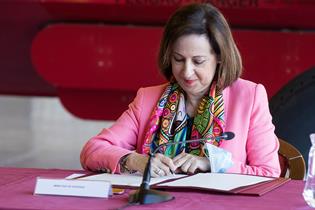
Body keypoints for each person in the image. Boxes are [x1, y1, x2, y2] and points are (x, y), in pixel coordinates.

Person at [80, 3, 281, 178]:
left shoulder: (250, 97)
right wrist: (134, 161)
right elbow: (92, 150)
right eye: (178, 59)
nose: (186, 72)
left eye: (198, 61)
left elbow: (269, 173)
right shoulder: (147, 98)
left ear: (220, 57)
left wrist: (213, 163)